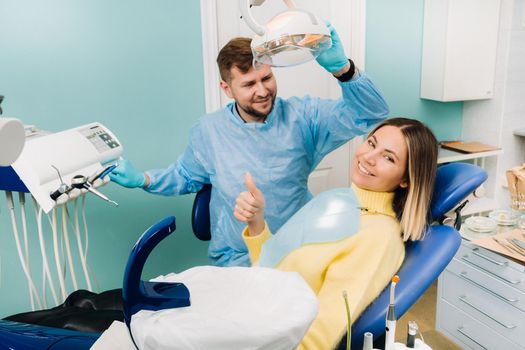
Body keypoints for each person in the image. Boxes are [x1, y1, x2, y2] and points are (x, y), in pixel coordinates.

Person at [109, 23, 389, 267]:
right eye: (249, 84)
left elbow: (371, 113)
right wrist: (144, 179)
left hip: (297, 251)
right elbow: (185, 176)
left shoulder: (304, 117)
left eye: (267, 78)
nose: (262, 90)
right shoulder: (208, 131)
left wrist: (344, 70)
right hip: (236, 259)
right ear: (226, 89)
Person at [234, 118, 438, 350]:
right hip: (253, 309)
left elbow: (319, 335)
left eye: (388, 157)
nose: (369, 157)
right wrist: (256, 221)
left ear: (405, 179)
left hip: (267, 335)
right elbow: (274, 266)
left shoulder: (378, 237)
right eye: (372, 143)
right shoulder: (338, 201)